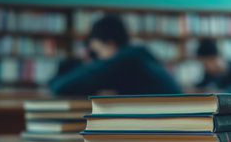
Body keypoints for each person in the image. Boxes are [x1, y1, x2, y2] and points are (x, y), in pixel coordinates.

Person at [49, 15, 181, 95]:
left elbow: (60, 86)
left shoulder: (126, 60)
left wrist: (83, 64)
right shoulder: (139, 55)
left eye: (98, 51)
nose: (97, 58)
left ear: (110, 44)